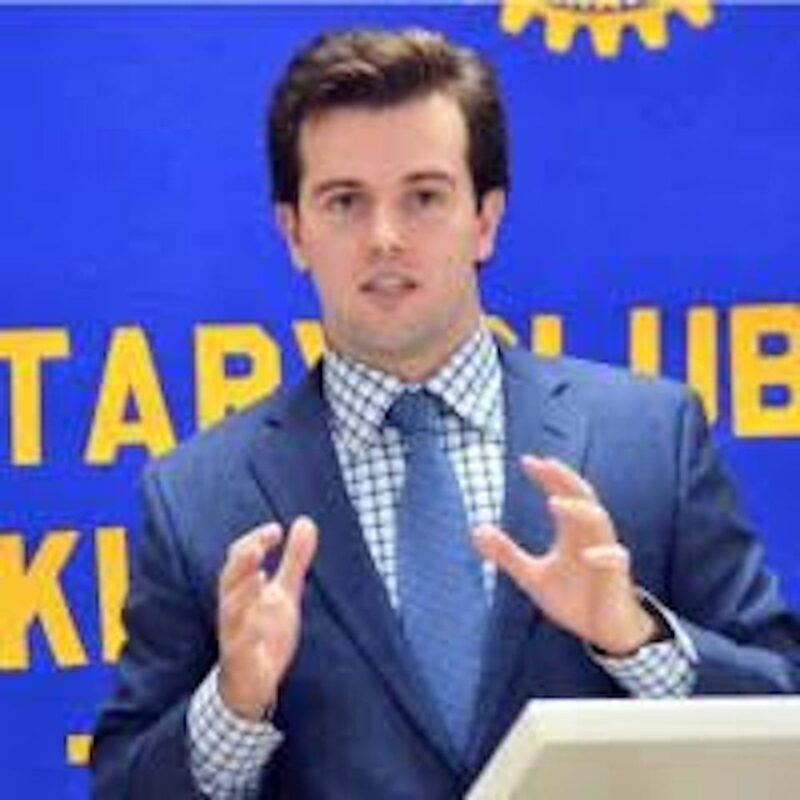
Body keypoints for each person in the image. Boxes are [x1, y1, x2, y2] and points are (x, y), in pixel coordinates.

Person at [91, 27, 800, 799]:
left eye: (424, 197)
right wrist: (232, 707)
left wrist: (634, 637)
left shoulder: (648, 440)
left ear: (486, 219)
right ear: (294, 232)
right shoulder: (199, 496)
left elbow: (782, 712)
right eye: (344, 202)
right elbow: (124, 785)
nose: (385, 238)